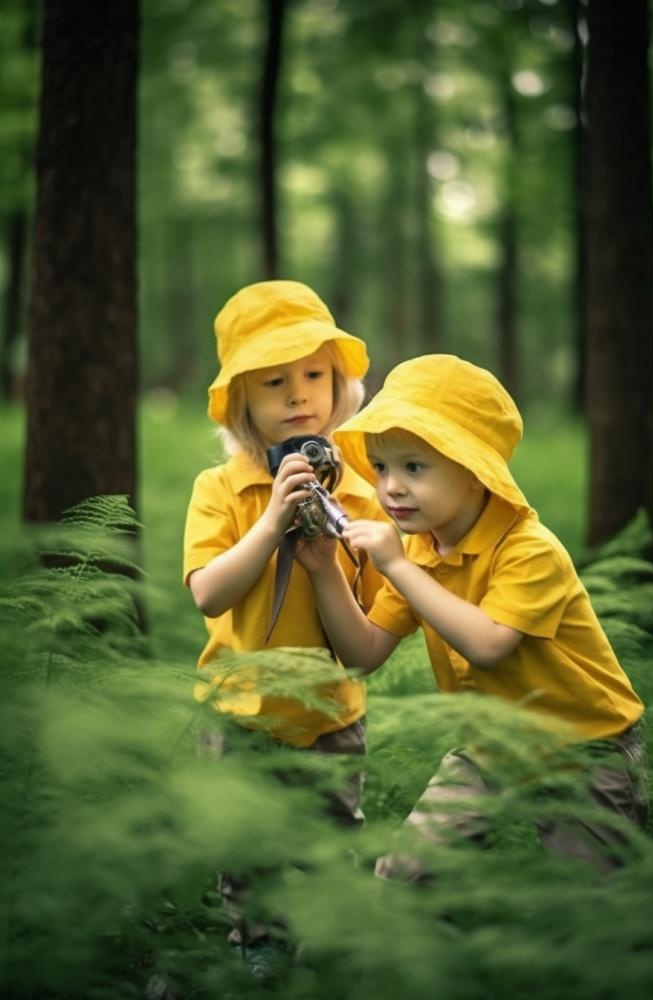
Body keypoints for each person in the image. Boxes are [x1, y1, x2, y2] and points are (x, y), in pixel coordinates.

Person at [298, 353, 649, 878]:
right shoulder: (422, 550)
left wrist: (392, 564)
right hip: (490, 747)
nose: (391, 486)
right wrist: (325, 571)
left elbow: (487, 646)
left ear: (475, 472)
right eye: (381, 467)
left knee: (593, 903)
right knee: (406, 872)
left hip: (583, 750)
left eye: (414, 467)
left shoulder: (529, 550)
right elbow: (364, 653)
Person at [182, 280, 388, 967]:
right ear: (242, 402)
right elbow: (210, 594)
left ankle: (334, 943)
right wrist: (271, 521)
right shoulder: (220, 489)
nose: (299, 394)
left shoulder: (361, 491)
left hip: (329, 714)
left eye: (314, 376)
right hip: (241, 712)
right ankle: (260, 944)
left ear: (339, 386)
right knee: (245, 844)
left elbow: (358, 630)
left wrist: (324, 559)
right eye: (274, 382)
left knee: (331, 835)